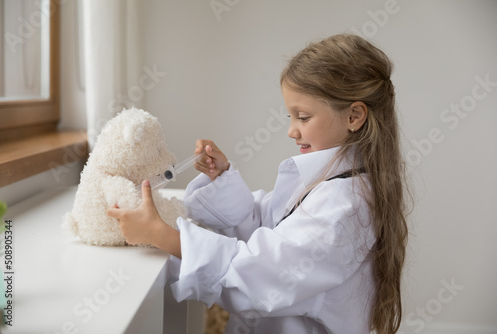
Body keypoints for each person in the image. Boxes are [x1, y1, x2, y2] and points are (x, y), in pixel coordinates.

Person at [107, 34, 409, 334]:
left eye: (303, 117)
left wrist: (162, 235)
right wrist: (221, 176)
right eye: (291, 116)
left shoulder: (344, 208)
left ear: (354, 116)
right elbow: (269, 228)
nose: (292, 130)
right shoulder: (330, 180)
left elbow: (262, 277)